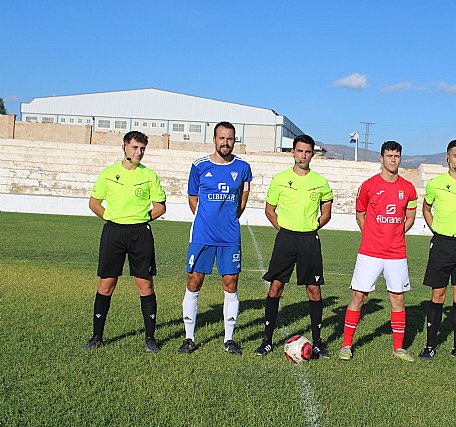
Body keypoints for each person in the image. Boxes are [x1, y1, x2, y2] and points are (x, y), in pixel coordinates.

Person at [84, 131, 167, 352]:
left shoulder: (149, 175)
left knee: (145, 284)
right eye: (134, 148)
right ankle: (96, 336)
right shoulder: (109, 173)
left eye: (142, 149)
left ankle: (150, 338)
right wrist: (113, 219)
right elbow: (94, 203)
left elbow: (160, 207)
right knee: (106, 284)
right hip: (113, 233)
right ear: (124, 147)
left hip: (140, 234)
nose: (138, 152)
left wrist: (140, 220)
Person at [338, 141, 418, 362]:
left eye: (397, 156)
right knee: (359, 296)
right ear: (381, 159)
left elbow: (410, 218)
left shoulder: (408, 189)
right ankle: (346, 345)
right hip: (370, 252)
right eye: (389, 156)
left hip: (396, 254)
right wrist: (371, 235)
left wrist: (395, 234)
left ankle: (399, 348)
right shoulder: (369, 185)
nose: (393, 160)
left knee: (398, 299)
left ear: (400, 158)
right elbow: (360, 214)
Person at [255, 134, 333, 358]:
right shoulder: (280, 179)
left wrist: (313, 226)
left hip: (309, 240)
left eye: (307, 152)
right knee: (275, 287)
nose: (303, 155)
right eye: (300, 151)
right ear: (293, 152)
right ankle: (267, 340)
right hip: (286, 239)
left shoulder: (320, 182)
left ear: (312, 154)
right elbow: (269, 210)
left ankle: (318, 343)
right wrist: (284, 230)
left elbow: (326, 210)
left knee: (314, 290)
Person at [179, 122, 253, 354]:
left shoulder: (243, 168)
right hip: (202, 235)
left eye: (229, 139)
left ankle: (229, 340)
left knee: (230, 284)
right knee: (194, 281)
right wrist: (206, 220)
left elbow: (243, 198)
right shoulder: (199, 166)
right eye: (221, 138)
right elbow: (193, 198)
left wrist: (228, 219)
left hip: (229, 236)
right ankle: (189, 338)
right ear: (214, 139)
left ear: (234, 141)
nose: (225, 142)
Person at [420, 139, 456, 362]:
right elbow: (426, 207)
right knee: (438, 294)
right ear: (448, 157)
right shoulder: (436, 184)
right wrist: (435, 227)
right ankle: (430, 346)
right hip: (442, 244)